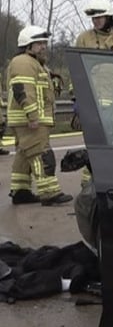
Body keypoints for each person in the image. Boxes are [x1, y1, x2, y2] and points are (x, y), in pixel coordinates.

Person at [6, 25, 72, 206]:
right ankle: (49, 193)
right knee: (41, 154)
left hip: (26, 119)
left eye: (44, 42)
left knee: (24, 154)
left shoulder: (33, 64)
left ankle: (20, 191)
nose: (43, 46)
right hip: (31, 120)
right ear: (28, 45)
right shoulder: (24, 62)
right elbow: (23, 91)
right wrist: (32, 115)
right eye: (39, 43)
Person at [73, 0, 113, 105]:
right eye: (93, 18)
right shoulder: (83, 39)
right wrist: (76, 94)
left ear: (108, 17)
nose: (95, 21)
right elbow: (76, 69)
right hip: (92, 102)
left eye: (99, 18)